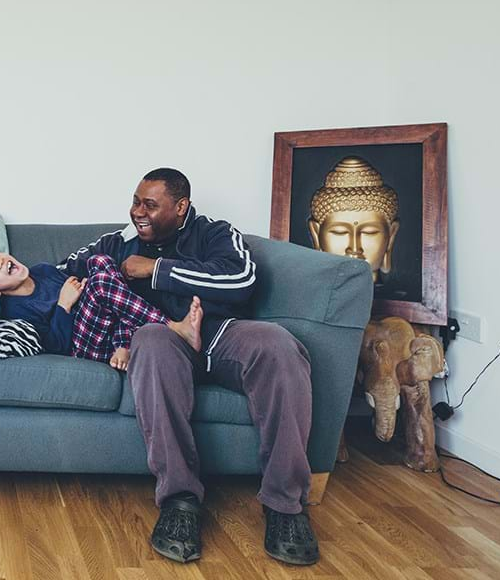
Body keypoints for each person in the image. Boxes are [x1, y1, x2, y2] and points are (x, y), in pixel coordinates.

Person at [58, 167, 320, 566]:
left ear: (181, 207)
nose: (137, 212)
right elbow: (68, 266)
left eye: (150, 204)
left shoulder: (214, 233)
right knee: (149, 339)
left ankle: (284, 506)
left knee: (280, 347)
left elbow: (241, 279)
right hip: (167, 339)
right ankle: (180, 502)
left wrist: (156, 270)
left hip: (223, 333)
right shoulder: (119, 242)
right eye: (135, 201)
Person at [0, 250, 203, 369]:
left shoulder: (43, 270)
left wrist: (83, 287)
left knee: (100, 261)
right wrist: (63, 305)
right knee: (100, 285)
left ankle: (123, 342)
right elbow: (55, 345)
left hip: (103, 325)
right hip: (81, 346)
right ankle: (173, 327)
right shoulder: (14, 311)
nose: (0, 262)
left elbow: (81, 286)